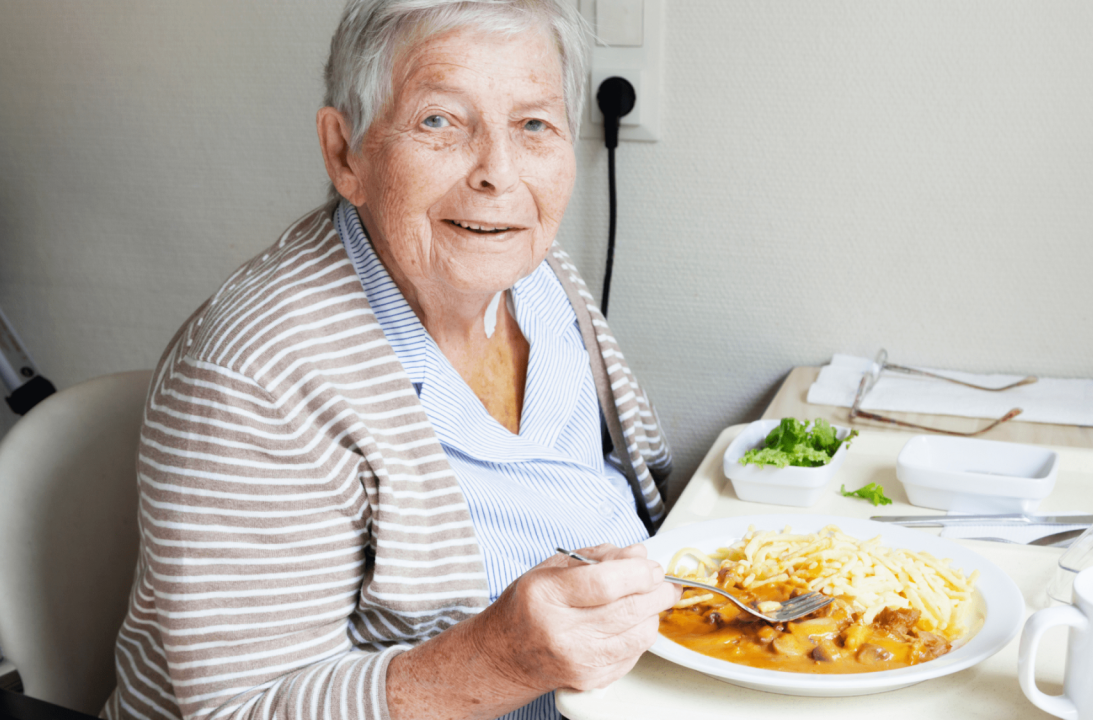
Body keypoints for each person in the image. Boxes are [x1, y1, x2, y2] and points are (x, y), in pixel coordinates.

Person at [102, 1, 679, 719]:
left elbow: (644, 490)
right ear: (346, 152)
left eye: (533, 124)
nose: (498, 174)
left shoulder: (533, 271)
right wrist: (498, 662)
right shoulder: (254, 378)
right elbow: (238, 712)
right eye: (440, 122)